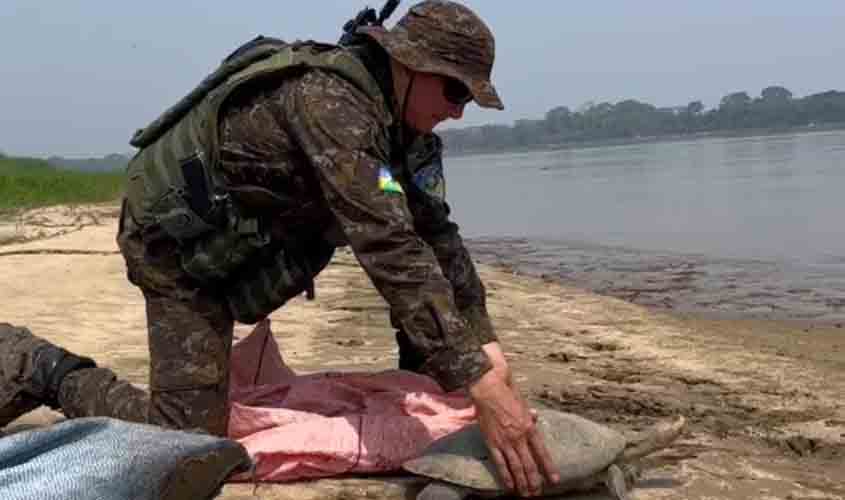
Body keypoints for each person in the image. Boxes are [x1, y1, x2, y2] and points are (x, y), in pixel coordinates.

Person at [0, 1, 559, 495]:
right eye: (455, 91)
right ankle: (40, 367)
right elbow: (389, 245)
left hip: (244, 249)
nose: (459, 111)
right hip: (178, 253)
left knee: (451, 359)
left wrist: (483, 347)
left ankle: (428, 386)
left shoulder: (404, 133)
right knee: (183, 443)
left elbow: (436, 235)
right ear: (411, 65)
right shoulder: (329, 103)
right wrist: (478, 379)